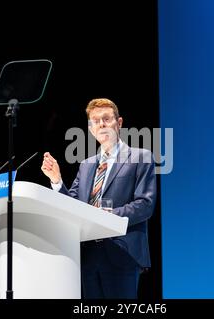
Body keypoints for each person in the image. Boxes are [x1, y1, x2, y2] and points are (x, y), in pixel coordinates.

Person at [41, 98, 157, 299]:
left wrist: (108, 216)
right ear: (91, 128)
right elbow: (73, 206)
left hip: (122, 254)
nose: (101, 124)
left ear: (119, 123)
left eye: (106, 118)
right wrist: (57, 181)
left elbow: (145, 205)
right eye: (96, 121)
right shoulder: (86, 165)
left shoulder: (140, 157)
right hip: (88, 256)